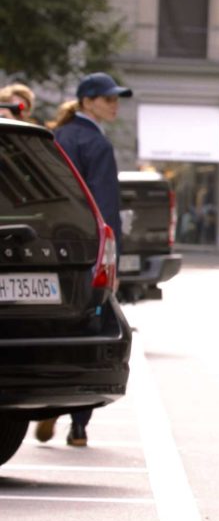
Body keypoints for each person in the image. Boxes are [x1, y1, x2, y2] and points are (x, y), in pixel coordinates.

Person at [35, 72, 133, 447]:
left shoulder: (56, 138)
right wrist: (113, 259)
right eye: (108, 99)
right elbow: (105, 207)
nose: (114, 105)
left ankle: (47, 407)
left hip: (47, 245)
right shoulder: (98, 145)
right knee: (88, 327)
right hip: (85, 249)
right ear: (87, 101)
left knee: (50, 326)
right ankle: (78, 424)